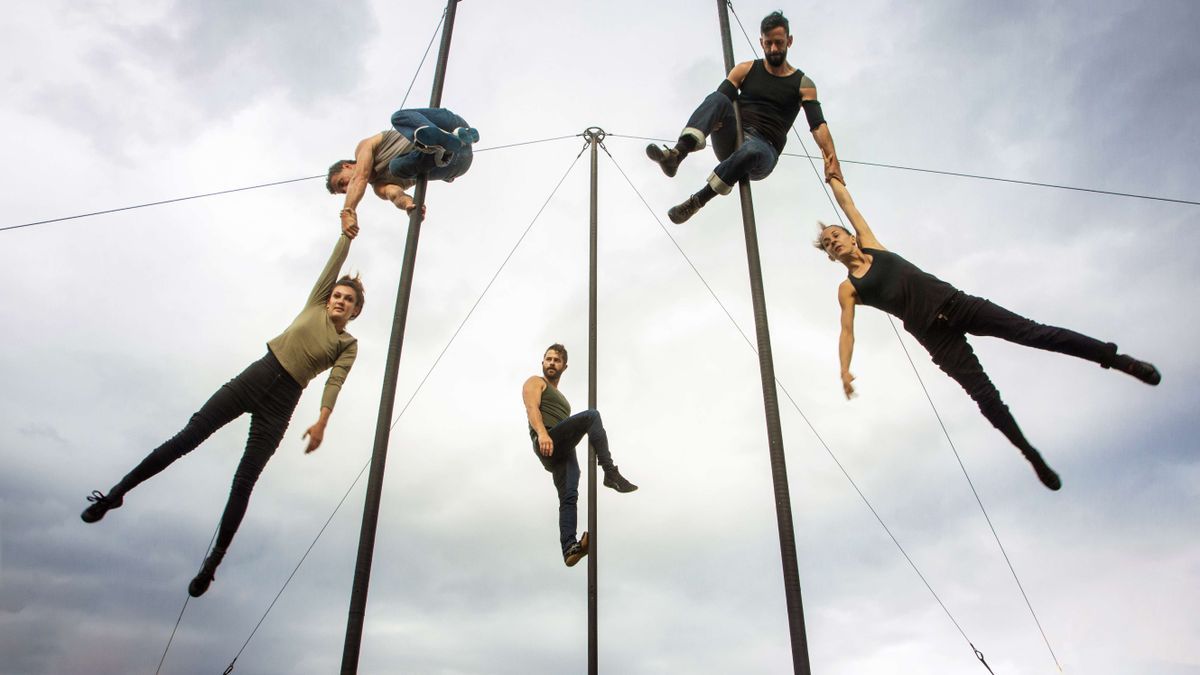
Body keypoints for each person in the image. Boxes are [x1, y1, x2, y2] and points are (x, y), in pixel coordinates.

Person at [815, 177, 1161, 490]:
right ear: (831, 256)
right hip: (935, 337)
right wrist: (844, 369)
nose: (834, 242)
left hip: (958, 304)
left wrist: (833, 173)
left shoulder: (872, 243)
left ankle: (1117, 360)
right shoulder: (849, 288)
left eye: (836, 235)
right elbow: (847, 331)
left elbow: (847, 201)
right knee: (985, 397)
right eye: (828, 244)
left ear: (849, 235)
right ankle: (1031, 455)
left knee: (1036, 334)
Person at [81, 220, 366, 596]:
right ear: (328, 297)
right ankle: (116, 493)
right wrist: (347, 231)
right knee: (188, 437)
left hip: (283, 403)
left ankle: (213, 561)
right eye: (338, 295)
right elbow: (335, 260)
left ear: (355, 311)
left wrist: (321, 422)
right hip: (257, 376)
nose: (340, 301)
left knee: (245, 480)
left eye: (348, 300)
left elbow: (335, 381)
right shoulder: (315, 303)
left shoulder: (348, 344)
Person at [646, 10, 842, 224]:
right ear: (761, 42)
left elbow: (818, 126)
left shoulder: (803, 84)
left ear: (789, 41)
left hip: (764, 150)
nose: (774, 49)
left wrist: (831, 160)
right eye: (768, 44)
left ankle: (696, 202)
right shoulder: (745, 69)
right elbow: (718, 102)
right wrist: (717, 118)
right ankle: (677, 154)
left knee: (751, 150)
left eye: (779, 43)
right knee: (718, 98)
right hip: (733, 136)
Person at [521, 344, 638, 566]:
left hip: (562, 450)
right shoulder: (535, 382)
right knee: (592, 416)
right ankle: (610, 472)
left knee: (569, 496)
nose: (552, 363)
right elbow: (532, 408)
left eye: (557, 360)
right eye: (548, 359)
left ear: (564, 366)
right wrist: (543, 434)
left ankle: (569, 548)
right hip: (548, 438)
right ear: (542, 362)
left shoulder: (563, 399)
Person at [326, 107, 479, 229]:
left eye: (342, 183)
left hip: (449, 123)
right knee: (396, 167)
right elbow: (395, 195)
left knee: (397, 117)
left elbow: (360, 177)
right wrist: (408, 204)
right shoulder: (380, 187)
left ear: (347, 165)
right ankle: (446, 144)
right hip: (455, 163)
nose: (347, 189)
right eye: (344, 192)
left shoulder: (365, 146)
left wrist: (348, 211)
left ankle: (442, 137)